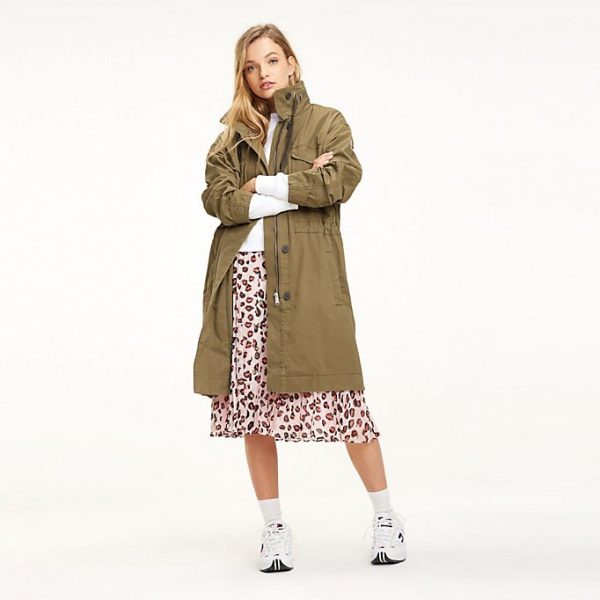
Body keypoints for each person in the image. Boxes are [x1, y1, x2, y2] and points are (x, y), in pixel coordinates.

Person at [193, 23, 407, 572]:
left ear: (291, 62)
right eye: (251, 66)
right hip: (243, 281)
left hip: (307, 282)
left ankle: (386, 517)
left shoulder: (325, 121)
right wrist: (291, 187)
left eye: (271, 60)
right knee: (253, 413)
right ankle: (273, 528)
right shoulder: (232, 136)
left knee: (346, 404)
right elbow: (217, 199)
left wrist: (261, 186)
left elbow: (339, 181)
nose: (262, 73)